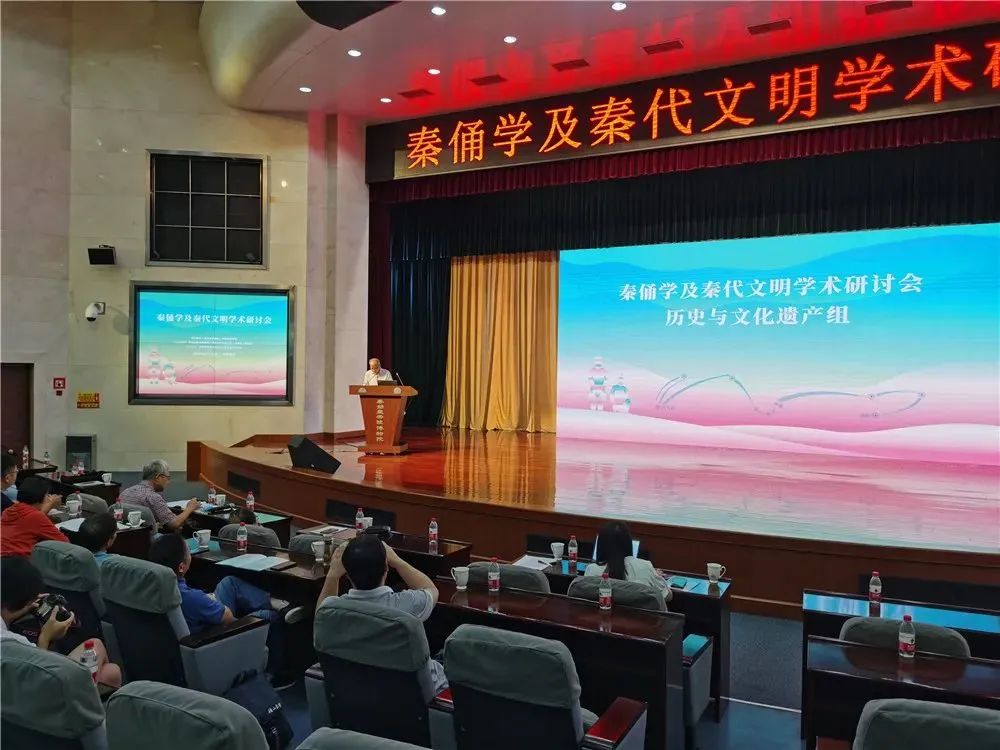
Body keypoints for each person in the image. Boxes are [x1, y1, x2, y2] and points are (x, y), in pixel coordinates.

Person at [147, 534, 304, 686]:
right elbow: (227, 617)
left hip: (193, 629)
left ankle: (274, 602)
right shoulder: (190, 597)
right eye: (188, 551)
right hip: (212, 639)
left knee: (229, 583)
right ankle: (274, 674)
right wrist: (212, 603)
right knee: (268, 616)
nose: (190, 554)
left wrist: (209, 602)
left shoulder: (152, 588)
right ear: (181, 567)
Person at [317, 534, 445, 690]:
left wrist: (333, 574)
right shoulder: (406, 605)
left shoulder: (332, 612)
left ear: (347, 574)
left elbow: (321, 615)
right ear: (386, 568)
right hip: (419, 692)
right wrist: (397, 561)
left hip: (359, 692)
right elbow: (431, 589)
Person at [0, 556, 122, 687]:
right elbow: (36, 674)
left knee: (111, 673)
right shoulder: (13, 643)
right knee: (94, 646)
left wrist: (20, 607)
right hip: (32, 691)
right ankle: (81, 693)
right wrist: (45, 637)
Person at [583, 520, 672, 602]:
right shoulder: (645, 567)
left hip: (601, 614)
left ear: (601, 544)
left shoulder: (591, 570)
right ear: (628, 542)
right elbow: (668, 596)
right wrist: (655, 576)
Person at [117, 459, 199, 531]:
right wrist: (190, 508)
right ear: (158, 477)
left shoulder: (126, 491)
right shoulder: (152, 497)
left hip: (127, 537)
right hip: (148, 540)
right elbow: (174, 524)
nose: (168, 482)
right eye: (168, 478)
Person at [0, 476, 68, 557]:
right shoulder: (36, 516)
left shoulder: (8, 510)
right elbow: (65, 542)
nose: (49, 497)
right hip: (19, 560)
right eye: (47, 495)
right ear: (41, 497)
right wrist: (49, 506)